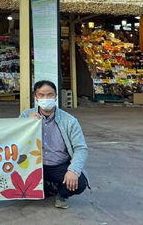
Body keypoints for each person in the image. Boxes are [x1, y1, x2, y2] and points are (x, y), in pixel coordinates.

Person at [20, 80, 89, 209]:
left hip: (59, 165)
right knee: (12, 178)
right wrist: (26, 124)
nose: (46, 98)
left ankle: (61, 194)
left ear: (56, 96)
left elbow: (81, 148)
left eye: (50, 95)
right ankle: (47, 186)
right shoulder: (26, 116)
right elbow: (17, 141)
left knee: (79, 183)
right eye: (41, 95)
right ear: (36, 97)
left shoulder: (69, 121)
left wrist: (73, 170)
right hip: (34, 165)